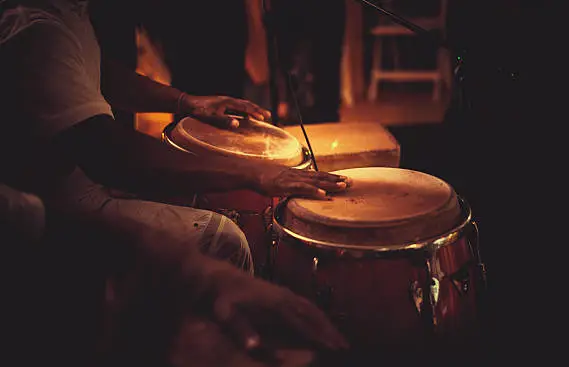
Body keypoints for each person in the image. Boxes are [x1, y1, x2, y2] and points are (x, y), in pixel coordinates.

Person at [0, 0, 350, 364]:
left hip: (77, 188)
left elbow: (92, 72)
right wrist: (256, 174)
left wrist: (187, 101)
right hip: (59, 209)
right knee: (223, 237)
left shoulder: (65, 11)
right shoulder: (33, 27)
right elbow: (112, 157)